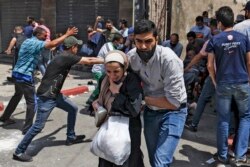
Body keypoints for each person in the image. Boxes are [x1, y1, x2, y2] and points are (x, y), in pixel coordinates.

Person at [13, 36, 104, 162]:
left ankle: (70, 137)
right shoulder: (67, 56)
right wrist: (107, 60)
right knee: (38, 126)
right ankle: (19, 151)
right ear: (72, 47)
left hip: (55, 94)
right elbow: (89, 60)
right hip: (47, 96)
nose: (77, 48)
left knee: (73, 108)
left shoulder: (63, 56)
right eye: (77, 46)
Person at [127, 19, 187, 167]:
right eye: (138, 41)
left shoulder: (169, 60)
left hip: (173, 113)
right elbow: (117, 72)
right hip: (151, 113)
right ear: (133, 40)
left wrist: (142, 99)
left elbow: (174, 103)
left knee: (160, 162)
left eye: (148, 41)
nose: (143, 46)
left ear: (156, 39)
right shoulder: (132, 57)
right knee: (155, 160)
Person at [0, 26, 78, 134]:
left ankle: (5, 117)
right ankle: (27, 129)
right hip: (25, 76)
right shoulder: (35, 43)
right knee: (32, 103)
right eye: (44, 35)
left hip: (16, 74)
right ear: (38, 35)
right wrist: (67, 35)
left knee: (17, 95)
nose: (46, 37)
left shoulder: (28, 41)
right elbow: (52, 44)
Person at [206, 6, 250, 166]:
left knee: (223, 120)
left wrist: (214, 81)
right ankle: (240, 157)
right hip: (242, 82)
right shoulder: (243, 37)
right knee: (245, 117)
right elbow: (249, 61)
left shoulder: (215, 39)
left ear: (219, 23)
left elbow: (210, 65)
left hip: (223, 83)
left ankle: (223, 156)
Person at [92, 50, 144, 167]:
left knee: (128, 159)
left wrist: (117, 93)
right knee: (107, 157)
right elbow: (97, 98)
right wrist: (96, 104)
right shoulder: (104, 80)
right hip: (108, 126)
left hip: (128, 128)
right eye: (108, 71)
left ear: (124, 67)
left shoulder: (131, 80)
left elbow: (134, 110)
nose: (112, 75)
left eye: (116, 71)